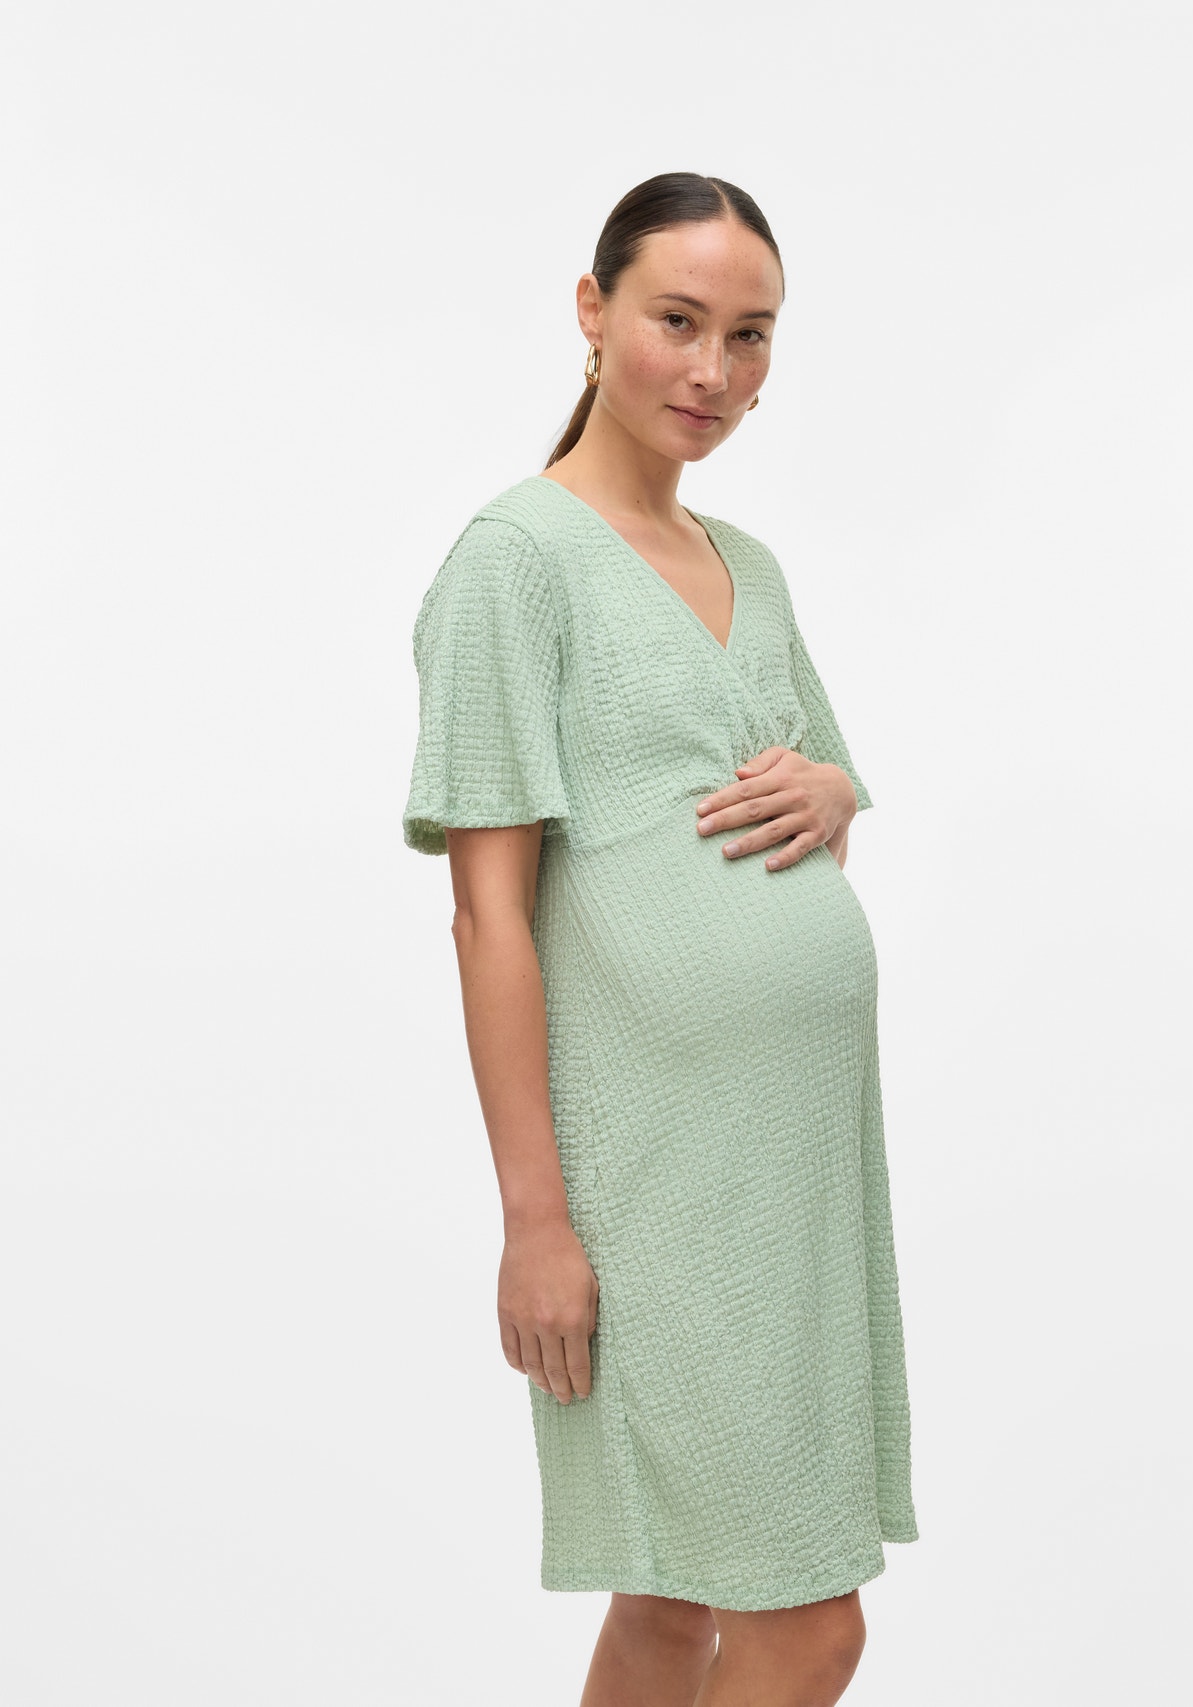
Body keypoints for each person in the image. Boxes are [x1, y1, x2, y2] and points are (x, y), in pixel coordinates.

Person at [401, 171, 919, 1707]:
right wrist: (535, 1225)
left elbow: (811, 791)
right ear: (592, 309)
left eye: (750, 337)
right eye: (678, 321)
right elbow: (488, 912)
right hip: (658, 1187)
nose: (714, 371)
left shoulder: (748, 566)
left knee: (673, 1606)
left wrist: (837, 788)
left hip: (792, 1177)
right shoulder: (514, 563)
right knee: (807, 1627)